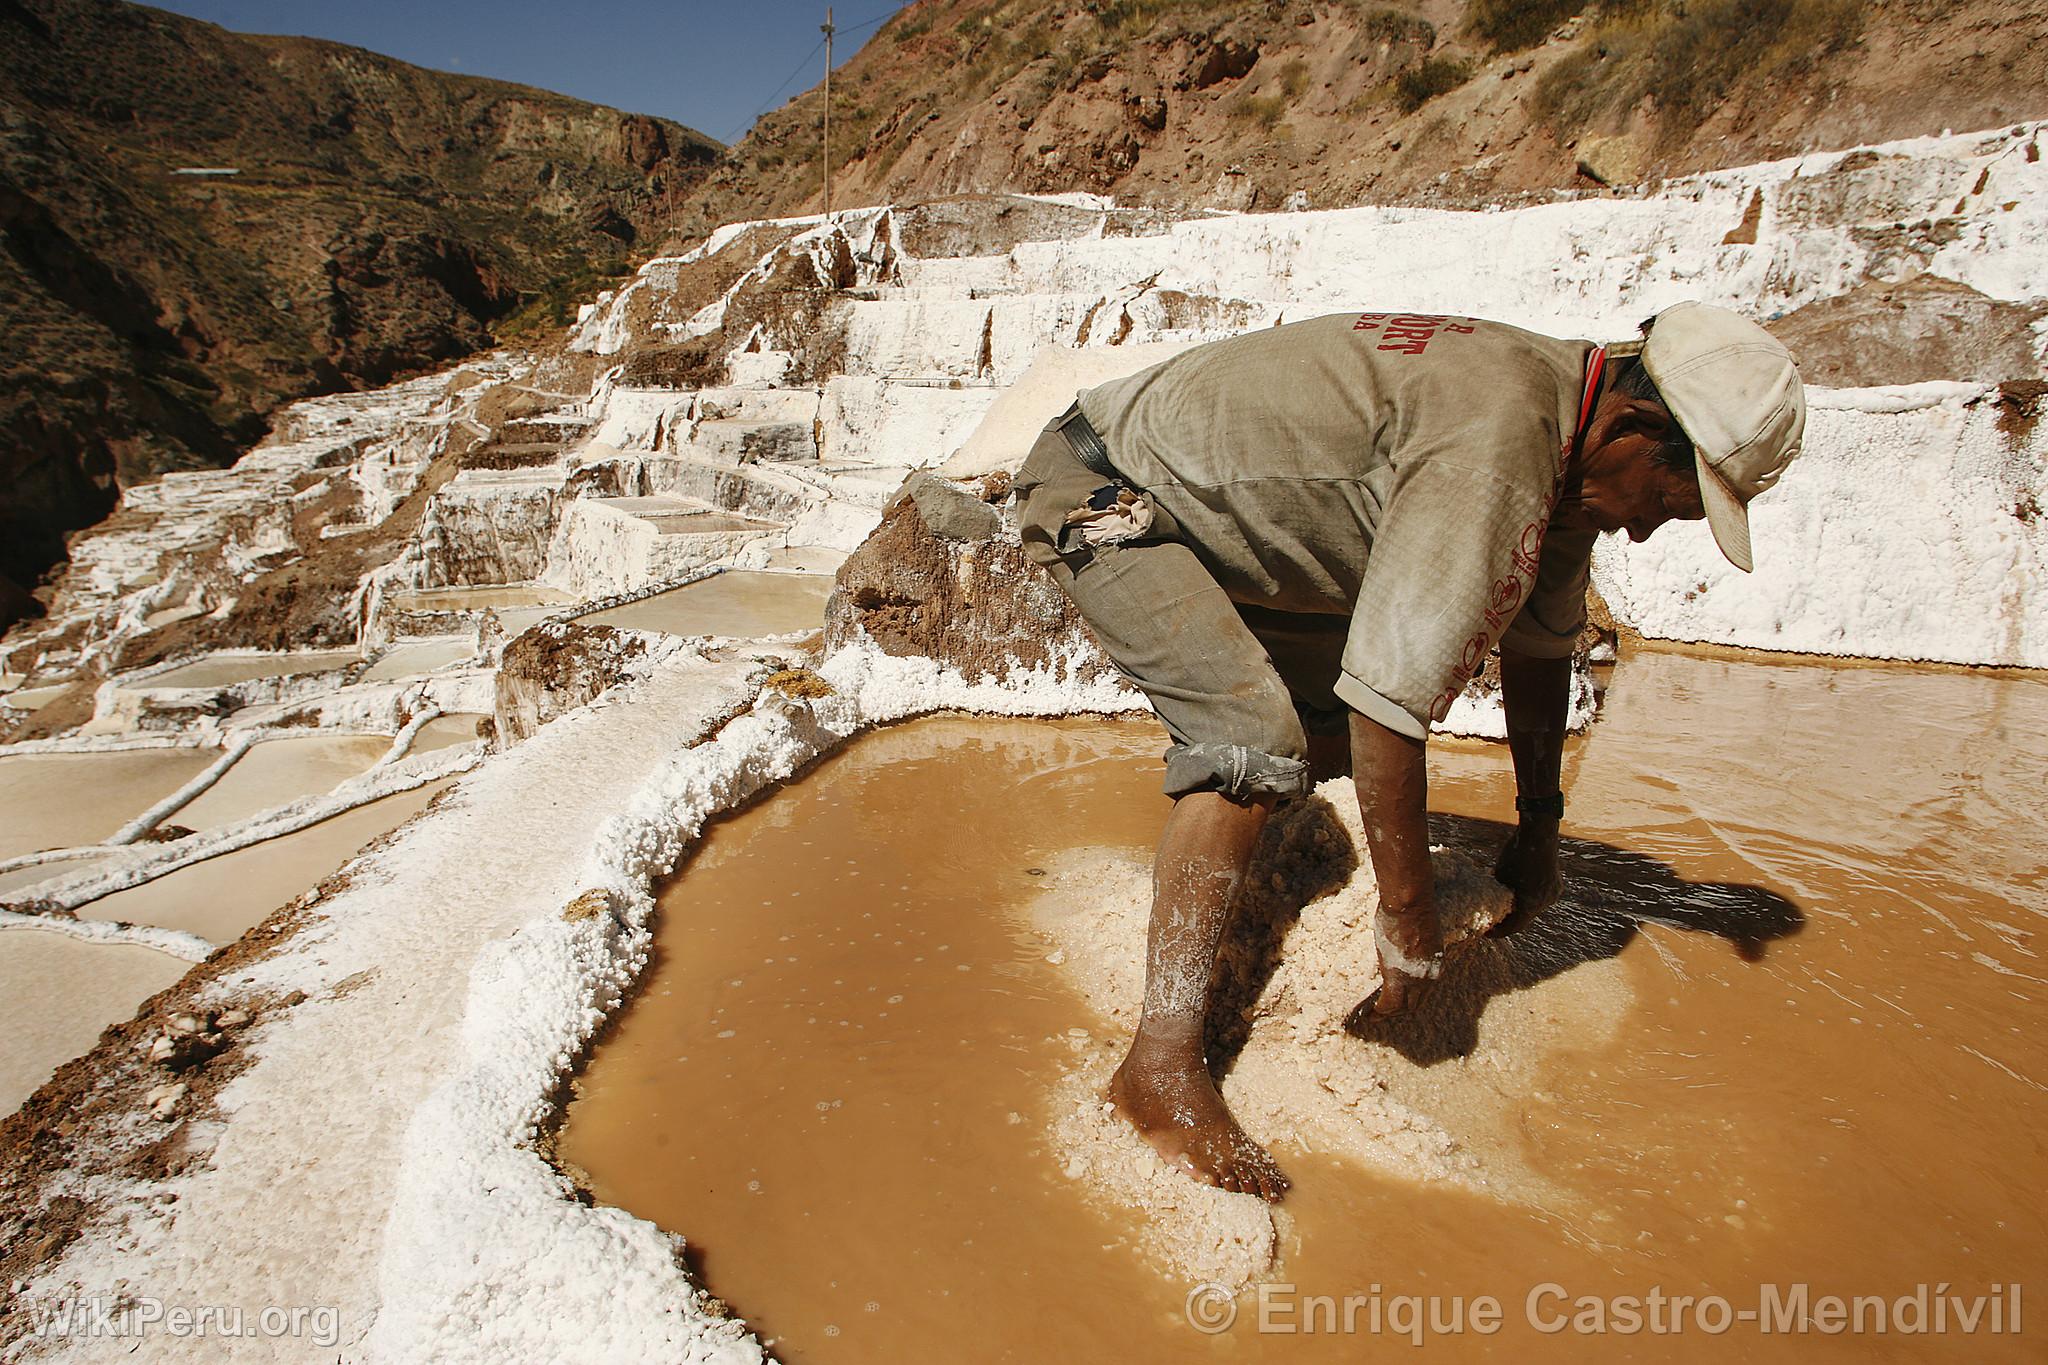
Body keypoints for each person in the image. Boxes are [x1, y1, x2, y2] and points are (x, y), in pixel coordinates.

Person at [1012, 302, 1805, 1201]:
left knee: (1314, 731)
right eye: (1668, 502)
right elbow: (1390, 714)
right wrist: (1408, 917)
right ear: (1633, 427)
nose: (1648, 530)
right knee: (1250, 738)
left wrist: (1539, 831)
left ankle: (1254, 926)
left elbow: (1541, 648)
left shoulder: (1571, 429)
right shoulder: (1504, 440)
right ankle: (1157, 1069)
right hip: (1111, 495)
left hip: (1220, 512)